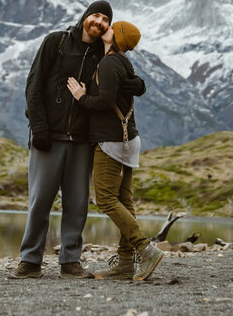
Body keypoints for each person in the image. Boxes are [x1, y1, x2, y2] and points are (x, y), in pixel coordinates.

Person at [11, 1, 143, 279]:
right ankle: (30, 261)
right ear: (85, 17)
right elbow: (33, 85)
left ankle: (70, 261)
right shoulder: (55, 42)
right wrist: (39, 128)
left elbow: (119, 78)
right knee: (40, 200)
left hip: (83, 140)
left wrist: (138, 84)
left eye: (105, 19)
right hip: (49, 136)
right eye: (95, 15)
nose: (99, 22)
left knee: (78, 203)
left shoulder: (104, 54)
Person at [67, 21, 163, 281]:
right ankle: (123, 264)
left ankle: (145, 249)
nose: (106, 28)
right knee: (124, 200)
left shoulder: (110, 63)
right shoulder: (121, 62)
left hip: (111, 141)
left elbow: (105, 102)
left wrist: (81, 97)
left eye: (112, 28)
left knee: (106, 199)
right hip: (127, 138)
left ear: (117, 37)